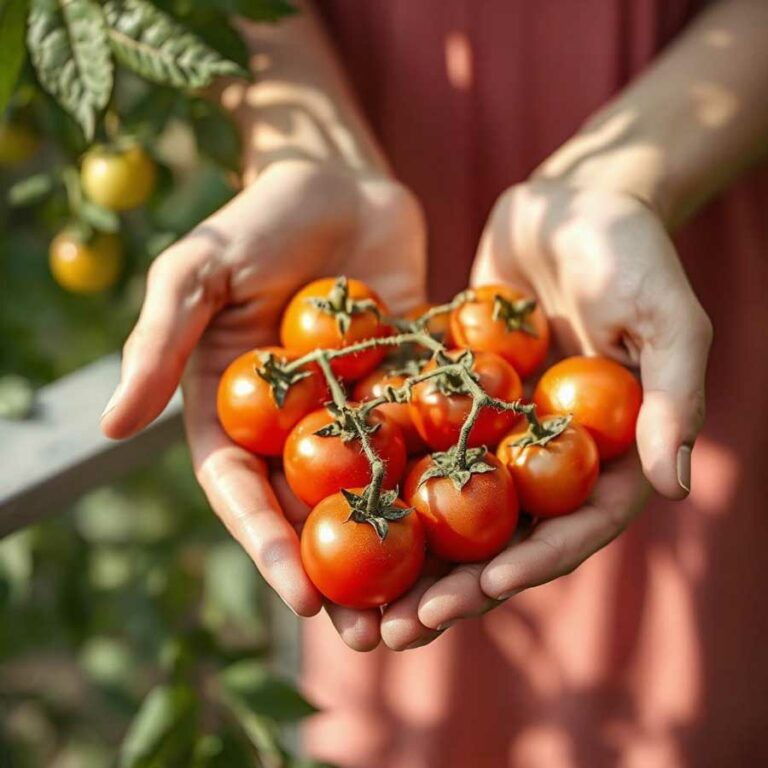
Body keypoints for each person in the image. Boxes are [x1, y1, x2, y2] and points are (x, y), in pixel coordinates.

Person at [102, 0, 768, 764]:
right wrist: (294, 138)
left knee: (686, 661)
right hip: (358, 114)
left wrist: (630, 177)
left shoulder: (412, 418)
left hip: (685, 175)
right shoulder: (414, 430)